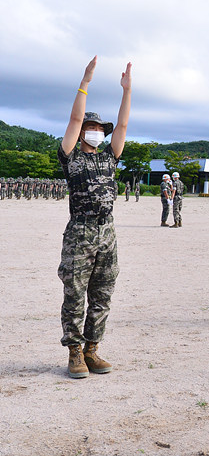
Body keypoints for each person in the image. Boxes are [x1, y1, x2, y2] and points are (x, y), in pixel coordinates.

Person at [58, 56, 132, 379]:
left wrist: (127, 92)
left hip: (107, 232)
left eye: (99, 129)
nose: (94, 132)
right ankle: (74, 352)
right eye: (91, 128)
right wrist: (85, 82)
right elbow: (74, 120)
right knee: (75, 292)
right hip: (81, 232)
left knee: (102, 292)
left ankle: (92, 349)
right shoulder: (71, 157)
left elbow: (124, 126)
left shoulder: (110, 157)